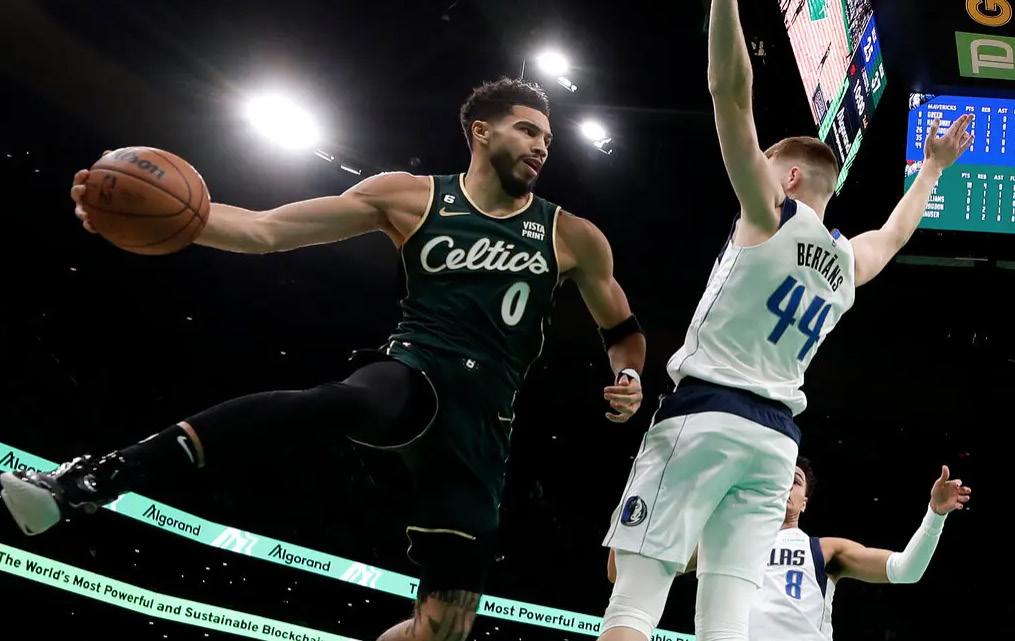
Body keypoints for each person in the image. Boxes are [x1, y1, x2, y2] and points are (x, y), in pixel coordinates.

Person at [2, 78, 647, 641]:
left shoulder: (574, 235)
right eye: (528, 130)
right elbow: (267, 229)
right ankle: (93, 479)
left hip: (484, 424)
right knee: (341, 401)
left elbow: (623, 330)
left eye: (547, 139)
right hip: (415, 372)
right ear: (482, 131)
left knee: (444, 627)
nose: (541, 146)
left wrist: (628, 375)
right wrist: (155, 218)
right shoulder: (410, 196)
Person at [595, 2, 974, 640]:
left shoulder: (771, 214)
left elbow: (729, 92)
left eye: (767, 169)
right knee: (725, 624)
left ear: (789, 177)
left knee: (634, 600)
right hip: (774, 445)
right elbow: (894, 233)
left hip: (707, 414)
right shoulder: (846, 262)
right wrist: (933, 168)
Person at [606, 459, 972, 640]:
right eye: (777, 478)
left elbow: (906, 571)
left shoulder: (825, 550)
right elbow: (620, 574)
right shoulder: (719, 541)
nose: (784, 486)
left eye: (794, 481)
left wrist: (935, 514)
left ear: (805, 501)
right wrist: (637, 503)